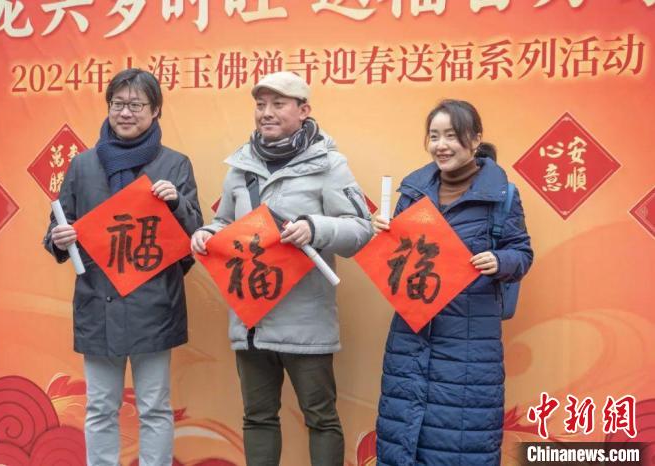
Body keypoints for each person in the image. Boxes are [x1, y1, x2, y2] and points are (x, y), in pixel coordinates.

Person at [191, 71, 373, 466]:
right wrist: (207, 234)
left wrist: (315, 228)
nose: (266, 113)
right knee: (257, 417)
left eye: (278, 104)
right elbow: (225, 222)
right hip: (251, 320)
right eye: (260, 105)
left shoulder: (329, 164)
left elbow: (361, 229)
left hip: (305, 320)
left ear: (303, 110)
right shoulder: (240, 166)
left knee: (320, 418)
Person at [43, 68, 203, 466]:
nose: (125, 113)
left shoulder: (174, 165)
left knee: (154, 406)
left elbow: (197, 236)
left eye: (135, 105)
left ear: (156, 110)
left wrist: (176, 203)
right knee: (100, 406)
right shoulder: (83, 165)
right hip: (99, 303)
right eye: (118, 104)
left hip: (154, 304)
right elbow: (58, 227)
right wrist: (59, 239)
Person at [373, 99, 533, 466]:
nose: (441, 145)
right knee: (402, 438)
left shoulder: (502, 195)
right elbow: (397, 260)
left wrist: (500, 261)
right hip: (411, 337)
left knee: (460, 442)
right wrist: (382, 234)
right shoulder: (413, 192)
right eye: (434, 136)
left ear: (475, 139)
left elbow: (522, 252)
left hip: (470, 342)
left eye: (451, 136)